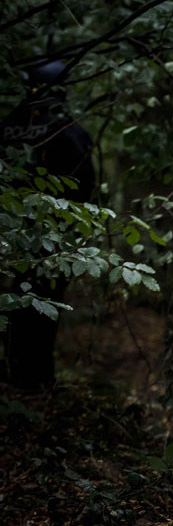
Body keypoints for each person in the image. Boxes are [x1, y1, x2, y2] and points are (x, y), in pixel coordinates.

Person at [1, 60, 94, 391]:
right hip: (51, 240)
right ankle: (35, 380)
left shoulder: (11, 122)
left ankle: (19, 375)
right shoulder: (66, 128)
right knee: (43, 308)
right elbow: (86, 183)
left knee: (19, 307)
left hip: (14, 236)